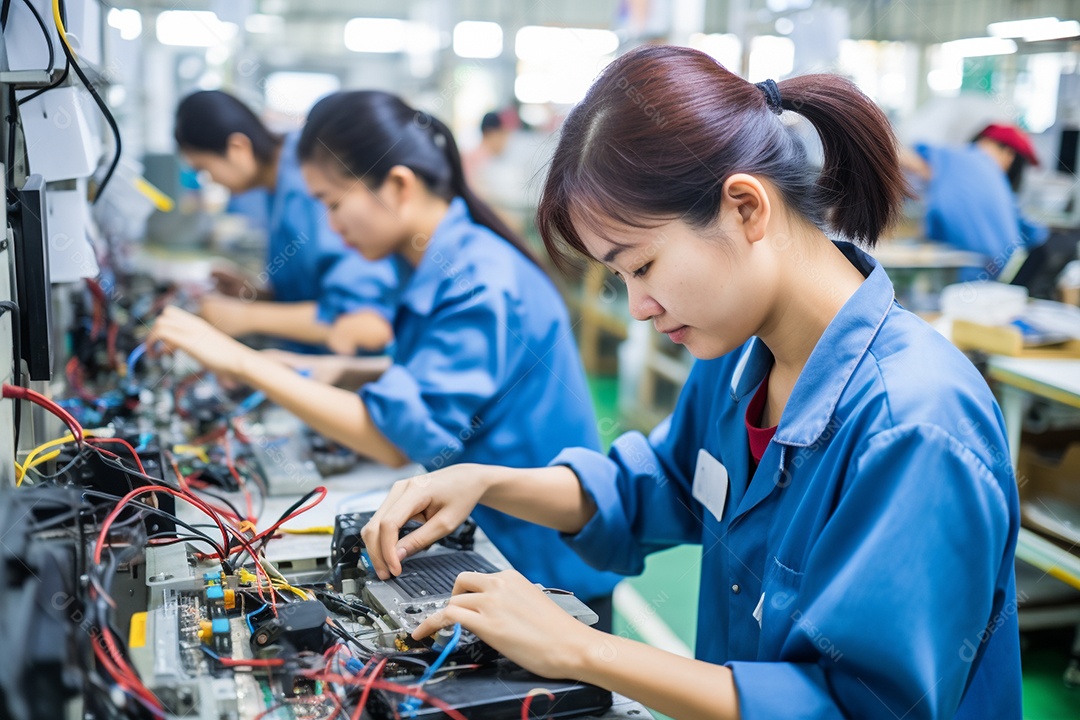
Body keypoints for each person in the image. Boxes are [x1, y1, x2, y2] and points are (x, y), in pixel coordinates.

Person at [361, 46, 1022, 719]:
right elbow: (659, 487)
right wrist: (486, 481)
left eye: (642, 266)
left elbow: (860, 708)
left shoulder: (913, 425)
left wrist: (582, 651)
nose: (639, 307)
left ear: (745, 208)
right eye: (620, 281)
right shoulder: (739, 357)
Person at [149, 91, 623, 629]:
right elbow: (451, 379)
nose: (328, 227)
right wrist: (344, 371)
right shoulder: (436, 259)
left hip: (548, 577)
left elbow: (392, 436)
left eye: (332, 203)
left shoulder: (478, 282)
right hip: (495, 552)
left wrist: (242, 359)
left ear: (397, 186)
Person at [174, 90, 398, 354]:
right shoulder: (277, 183)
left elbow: (362, 319)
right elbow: (314, 289)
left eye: (204, 168)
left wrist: (247, 317)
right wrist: (256, 295)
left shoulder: (307, 183)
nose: (209, 179)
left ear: (237, 148)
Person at [902, 122, 1048, 281]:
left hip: (956, 280)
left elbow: (900, 155)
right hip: (990, 284)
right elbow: (1035, 234)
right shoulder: (984, 171)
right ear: (1009, 154)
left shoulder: (952, 158)